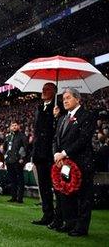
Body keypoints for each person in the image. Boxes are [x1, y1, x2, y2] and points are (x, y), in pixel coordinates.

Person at [52, 88, 96, 236]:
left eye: (68, 97)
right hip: (64, 165)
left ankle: (81, 227)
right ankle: (70, 223)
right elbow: (56, 140)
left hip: (82, 162)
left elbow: (83, 139)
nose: (65, 100)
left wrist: (64, 153)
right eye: (63, 98)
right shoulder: (63, 118)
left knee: (83, 196)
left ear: (77, 99)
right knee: (67, 193)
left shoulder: (87, 115)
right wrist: (56, 154)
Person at [31, 83, 62, 225]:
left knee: (57, 186)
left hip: (51, 154)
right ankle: (47, 215)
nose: (43, 91)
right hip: (39, 154)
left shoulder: (59, 107)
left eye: (47, 89)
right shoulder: (38, 108)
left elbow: (58, 131)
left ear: (55, 91)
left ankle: (59, 216)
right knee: (43, 187)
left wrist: (58, 115)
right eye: (43, 88)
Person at [3, 121, 28, 203]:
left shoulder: (22, 136)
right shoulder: (8, 137)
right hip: (9, 160)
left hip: (18, 160)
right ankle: (13, 197)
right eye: (12, 125)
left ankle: (20, 198)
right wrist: (5, 159)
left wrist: (23, 158)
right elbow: (5, 148)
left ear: (18, 126)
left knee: (20, 179)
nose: (14, 127)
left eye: (15, 125)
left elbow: (26, 147)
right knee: (12, 179)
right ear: (10, 127)